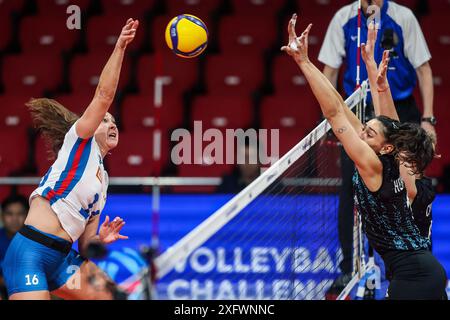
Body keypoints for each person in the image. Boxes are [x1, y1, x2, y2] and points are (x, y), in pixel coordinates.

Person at [282, 13, 446, 299]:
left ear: (385, 148)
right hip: (422, 271)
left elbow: (334, 112)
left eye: (368, 133)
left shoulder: (373, 165)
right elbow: (387, 123)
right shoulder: (397, 161)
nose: (362, 132)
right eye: (364, 128)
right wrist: (374, 73)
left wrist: (304, 62)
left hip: (412, 277)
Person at [1, 18, 140, 300]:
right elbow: (104, 95)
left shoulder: (103, 181)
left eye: (114, 122)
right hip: (30, 253)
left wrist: (101, 239)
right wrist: (120, 48)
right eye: (105, 120)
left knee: (114, 298)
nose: (112, 124)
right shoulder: (79, 141)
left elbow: (87, 244)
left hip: (63, 261)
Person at [318, 0, 437, 286]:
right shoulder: (343, 18)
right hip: (360, 112)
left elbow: (424, 70)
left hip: (399, 109)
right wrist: (324, 124)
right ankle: (348, 268)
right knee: (352, 190)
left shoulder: (403, 16)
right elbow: (330, 71)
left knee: (409, 188)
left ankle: (418, 257)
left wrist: (428, 118)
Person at [361, 22, 435, 245]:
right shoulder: (418, 179)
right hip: (418, 270)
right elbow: (389, 123)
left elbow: (390, 125)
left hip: (416, 275)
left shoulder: (409, 187)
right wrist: (371, 65)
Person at [0, 195, 29, 299]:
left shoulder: (36, 240)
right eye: (9, 214)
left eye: (20, 214)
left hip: (32, 289)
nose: (14, 219)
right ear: (2, 216)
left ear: (28, 215)